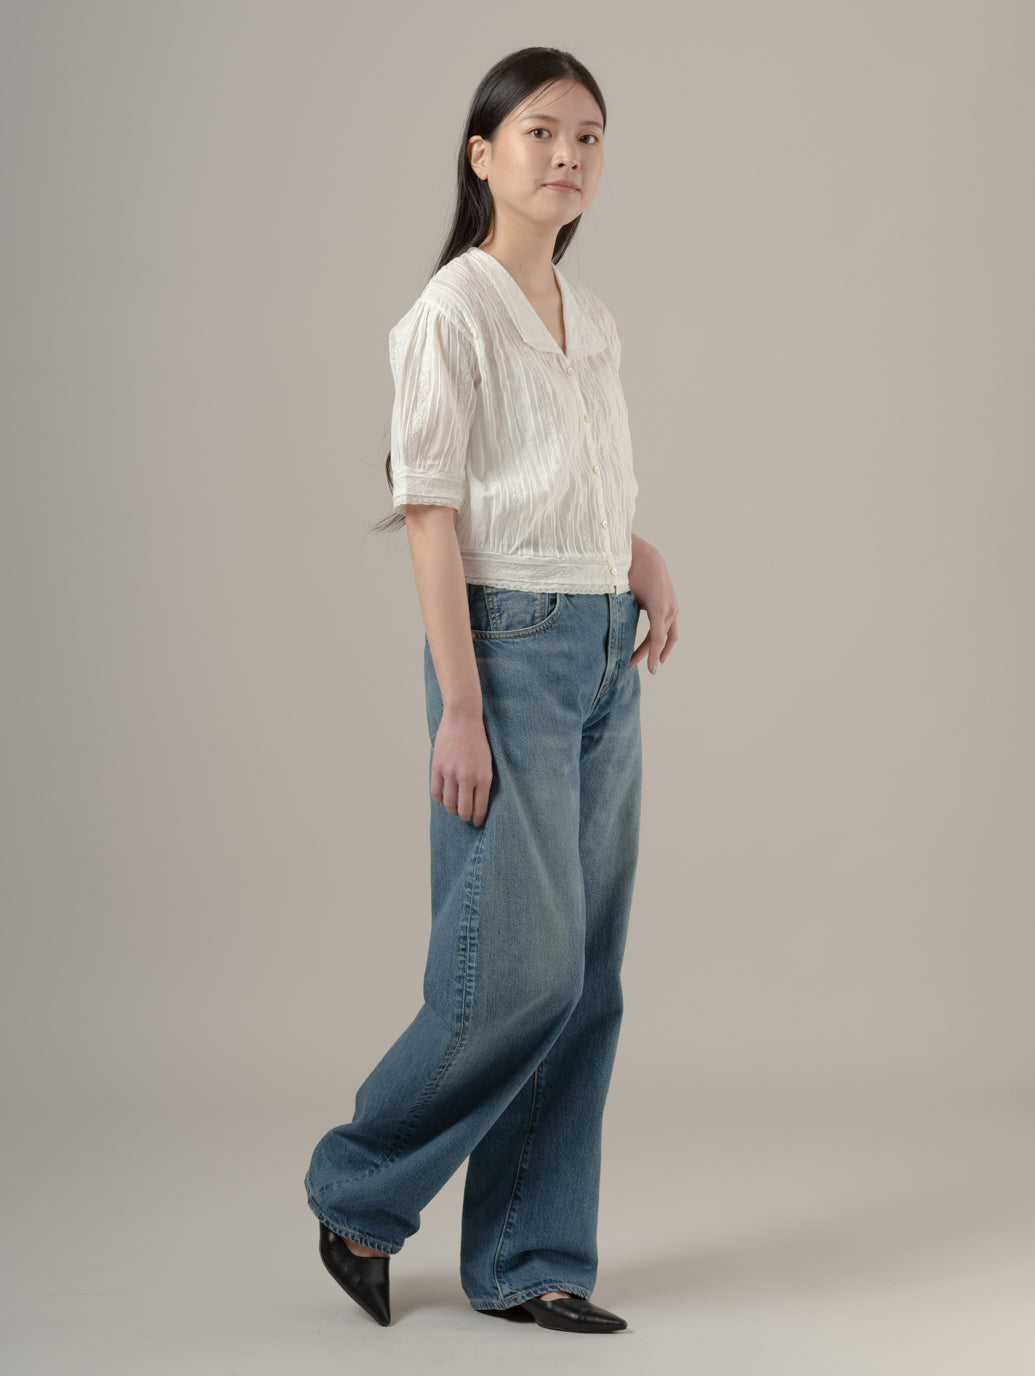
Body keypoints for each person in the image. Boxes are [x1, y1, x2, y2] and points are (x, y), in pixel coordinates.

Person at [304, 45, 678, 1335]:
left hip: (603, 643)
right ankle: (359, 1192)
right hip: (507, 648)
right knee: (519, 966)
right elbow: (433, 511)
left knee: (586, 972)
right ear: (483, 155)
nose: (568, 155)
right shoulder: (451, 312)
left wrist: (635, 554)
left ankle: (532, 1257)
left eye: (589, 136)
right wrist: (460, 706)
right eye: (541, 132)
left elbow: (566, 481)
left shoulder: (592, 317)